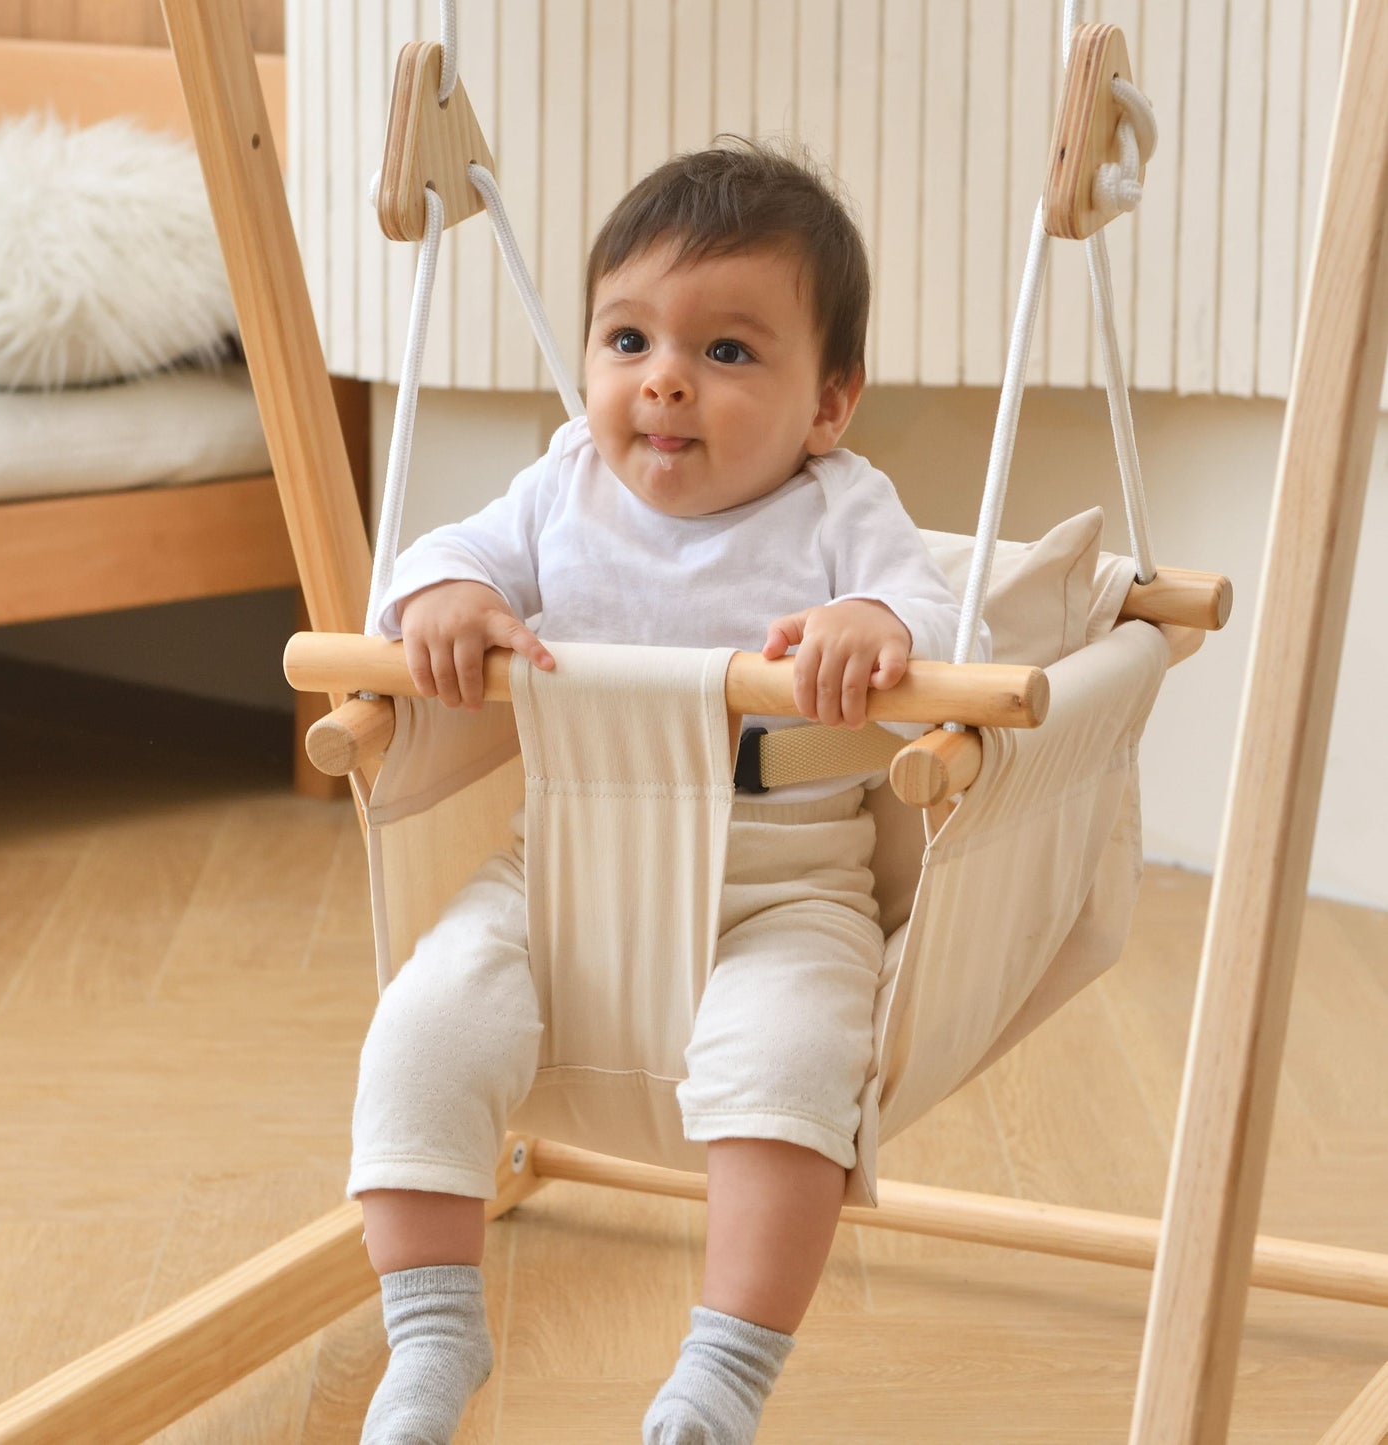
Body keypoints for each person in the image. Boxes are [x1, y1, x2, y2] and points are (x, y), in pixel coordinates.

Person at [351, 141, 983, 1445]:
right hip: (564, 874)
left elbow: (928, 603)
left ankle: (722, 1375)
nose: (665, 381)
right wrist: (451, 599)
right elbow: (439, 554)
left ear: (828, 402)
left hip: (784, 889)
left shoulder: (838, 509)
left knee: (794, 1073)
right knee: (422, 1026)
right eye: (626, 338)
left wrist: (872, 620)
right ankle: (430, 1333)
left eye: (728, 353)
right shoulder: (560, 490)